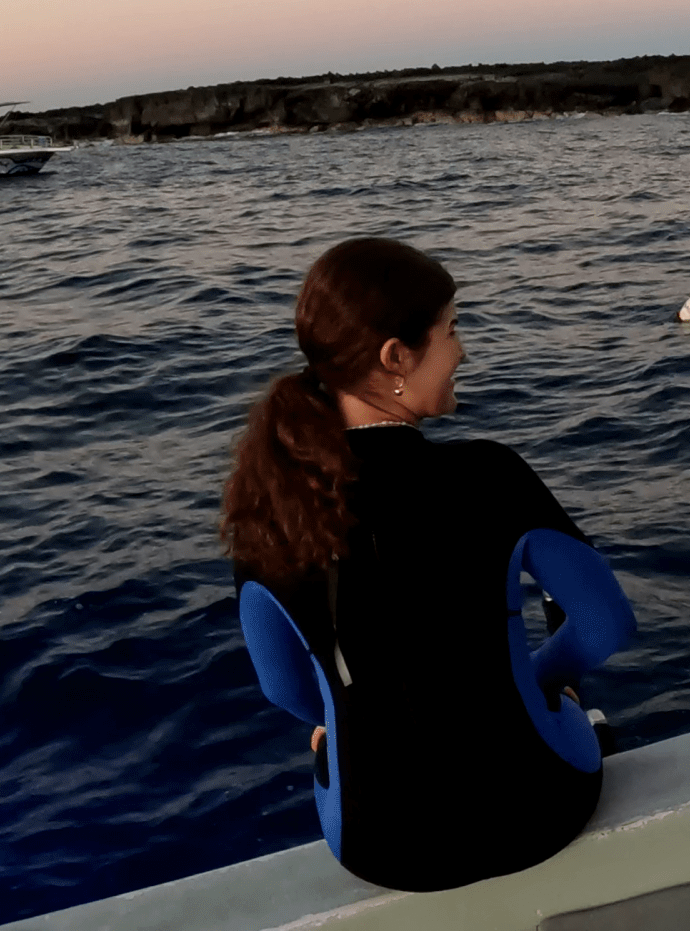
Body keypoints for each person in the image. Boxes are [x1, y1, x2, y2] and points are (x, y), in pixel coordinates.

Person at [221, 238, 636, 891]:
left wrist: (339, 727)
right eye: (452, 329)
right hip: (537, 813)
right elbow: (604, 625)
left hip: (382, 848)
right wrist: (540, 679)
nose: (462, 350)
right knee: (558, 713)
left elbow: (283, 687)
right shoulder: (489, 475)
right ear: (395, 357)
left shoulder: (268, 508)